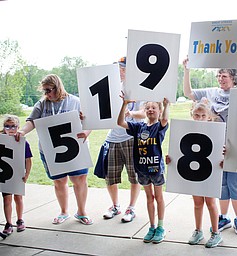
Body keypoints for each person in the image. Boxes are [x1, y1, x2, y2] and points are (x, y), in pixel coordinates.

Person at [15, 74, 93, 225]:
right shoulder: (42, 104)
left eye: (49, 90)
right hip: (50, 150)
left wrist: (86, 132)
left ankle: (82, 212)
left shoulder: (75, 102)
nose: (46, 94)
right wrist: (23, 131)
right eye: (44, 91)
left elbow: (88, 120)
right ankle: (64, 211)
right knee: (59, 181)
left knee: (80, 179)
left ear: (58, 87)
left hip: (75, 148)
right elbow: (31, 121)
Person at [183, 58, 237, 236]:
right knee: (221, 184)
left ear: (233, 77)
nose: (220, 78)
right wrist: (187, 69)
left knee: (236, 184)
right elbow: (188, 92)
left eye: (224, 75)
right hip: (214, 146)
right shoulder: (211, 92)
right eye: (218, 75)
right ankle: (224, 217)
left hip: (235, 146)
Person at [166, 100, 223, 248]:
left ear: (209, 117)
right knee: (197, 203)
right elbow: (179, 151)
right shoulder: (186, 130)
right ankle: (198, 230)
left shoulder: (215, 131)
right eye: (196, 115)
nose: (199, 118)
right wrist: (171, 158)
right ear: (192, 115)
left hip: (209, 171)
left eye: (203, 115)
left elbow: (223, 152)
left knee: (210, 202)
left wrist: (223, 160)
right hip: (194, 172)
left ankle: (216, 233)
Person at [117, 96, 169, 244]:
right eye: (148, 108)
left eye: (154, 107)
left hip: (156, 168)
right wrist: (124, 104)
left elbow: (165, 119)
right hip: (142, 168)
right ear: (144, 111)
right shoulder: (139, 127)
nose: (151, 110)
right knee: (149, 198)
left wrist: (166, 105)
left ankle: (160, 227)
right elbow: (120, 122)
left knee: (158, 197)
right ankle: (151, 226)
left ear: (159, 111)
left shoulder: (159, 126)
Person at [102, 57, 146, 223]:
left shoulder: (140, 88)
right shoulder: (111, 87)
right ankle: (115, 206)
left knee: (134, 176)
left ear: (128, 70)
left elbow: (145, 111)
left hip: (131, 136)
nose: (117, 71)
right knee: (110, 175)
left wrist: (131, 114)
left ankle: (131, 207)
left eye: (120, 68)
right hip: (113, 136)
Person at [1, 115, 32, 235]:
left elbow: (28, 159)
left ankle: (20, 219)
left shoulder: (23, 142)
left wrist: (27, 174)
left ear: (18, 127)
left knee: (18, 198)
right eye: (7, 126)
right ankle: (8, 223)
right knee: (6, 199)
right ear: (4, 128)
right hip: (5, 175)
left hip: (18, 173)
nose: (10, 129)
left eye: (13, 126)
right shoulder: (1, 140)